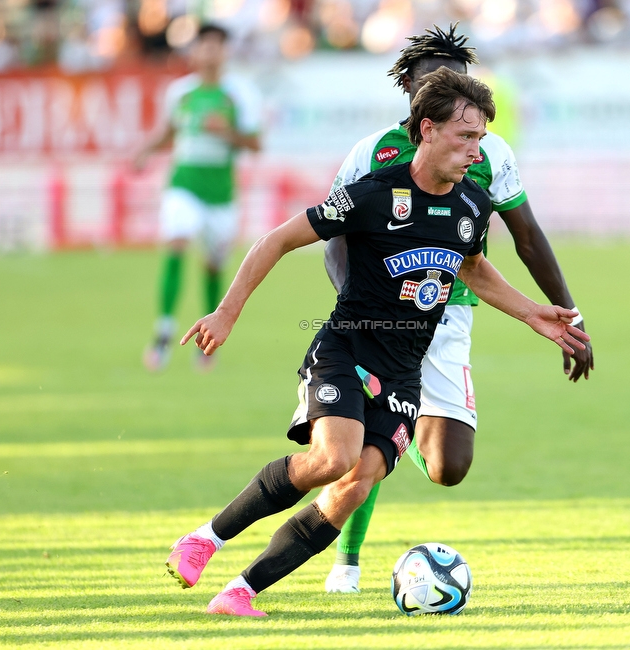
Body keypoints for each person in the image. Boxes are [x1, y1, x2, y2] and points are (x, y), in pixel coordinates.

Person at [164, 68, 590, 617]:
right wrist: (226, 313)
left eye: (481, 139)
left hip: (404, 372)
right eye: (465, 137)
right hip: (346, 350)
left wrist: (536, 315)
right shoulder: (371, 197)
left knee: (358, 482)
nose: (474, 150)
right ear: (427, 130)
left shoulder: (471, 207)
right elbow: (278, 239)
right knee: (332, 458)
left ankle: (240, 593)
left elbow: (474, 269)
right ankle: (205, 538)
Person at [321, 24, 594, 594]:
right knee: (363, 438)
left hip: (449, 317)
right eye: (436, 81)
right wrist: (359, 304)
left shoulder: (489, 152)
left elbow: (525, 236)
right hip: (376, 319)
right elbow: (334, 237)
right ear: (416, 100)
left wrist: (569, 314)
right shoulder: (373, 153)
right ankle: (345, 561)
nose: (451, 87)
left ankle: (403, 435)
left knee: (449, 468)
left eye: (460, 79)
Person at [133, 23, 262, 370]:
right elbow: (169, 132)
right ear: (194, 51)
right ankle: (163, 331)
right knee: (177, 240)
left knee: (213, 264)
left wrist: (228, 132)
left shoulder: (240, 94)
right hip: (184, 185)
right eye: (204, 44)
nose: (209, 51)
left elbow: (255, 144)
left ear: (225, 52)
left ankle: (207, 341)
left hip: (220, 193)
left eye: (216, 45)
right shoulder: (181, 93)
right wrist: (145, 151)